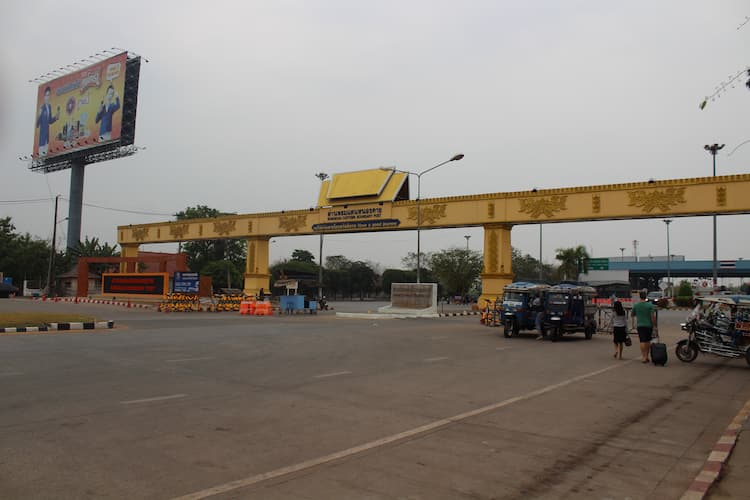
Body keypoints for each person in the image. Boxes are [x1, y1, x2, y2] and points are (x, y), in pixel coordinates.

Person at [632, 289, 657, 363]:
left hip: (640, 325)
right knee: (648, 341)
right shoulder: (650, 305)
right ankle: (646, 356)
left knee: (642, 341)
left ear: (640, 297)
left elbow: (632, 314)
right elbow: (653, 317)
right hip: (649, 325)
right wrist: (655, 326)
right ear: (646, 296)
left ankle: (643, 357)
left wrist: (639, 314)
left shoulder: (636, 305)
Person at [36, 86, 60, 156]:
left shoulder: (49, 106)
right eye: (46, 95)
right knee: (41, 156)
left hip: (47, 137)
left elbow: (49, 121)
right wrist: (39, 116)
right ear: (44, 96)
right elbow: (37, 125)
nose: (47, 97)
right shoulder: (41, 108)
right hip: (42, 139)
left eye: (49, 95)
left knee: (46, 155)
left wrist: (56, 117)